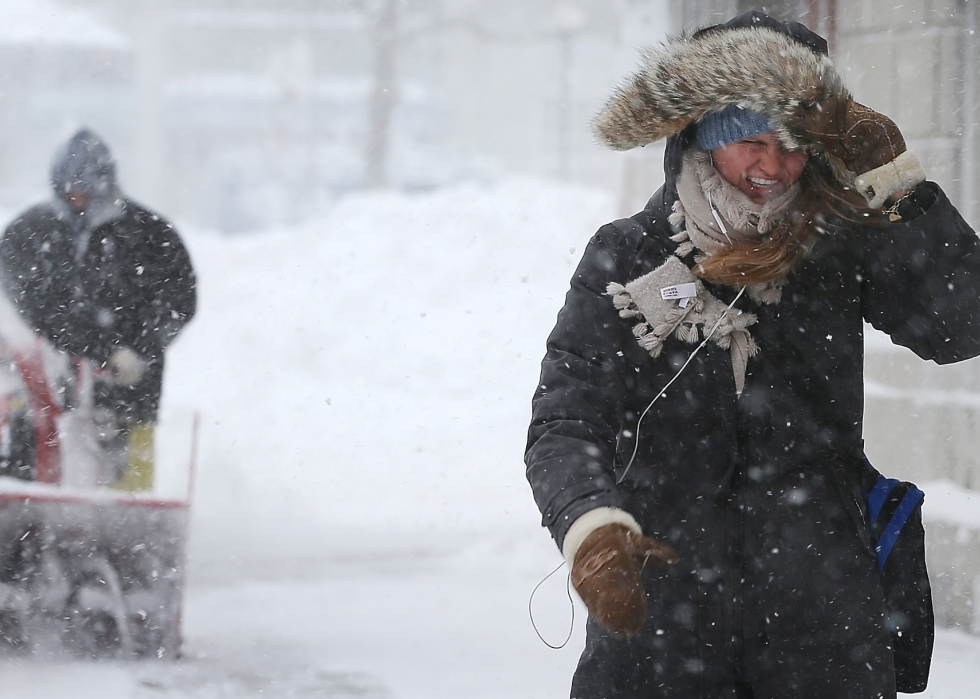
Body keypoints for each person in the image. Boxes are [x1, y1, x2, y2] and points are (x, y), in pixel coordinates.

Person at [525, 11, 980, 699]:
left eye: (795, 145)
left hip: (822, 626)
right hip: (663, 629)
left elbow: (961, 322)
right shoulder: (627, 254)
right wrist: (592, 527)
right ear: (705, 135)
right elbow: (566, 420)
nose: (773, 166)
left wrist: (898, 182)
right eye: (752, 141)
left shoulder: (840, 246)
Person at [0, 128, 196, 490]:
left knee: (128, 477)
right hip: (46, 375)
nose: (77, 200)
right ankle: (24, 519)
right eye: (69, 191)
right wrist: (79, 344)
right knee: (28, 450)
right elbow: (24, 300)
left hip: (130, 388)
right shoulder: (27, 234)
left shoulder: (151, 236)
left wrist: (140, 349)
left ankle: (129, 527)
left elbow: (179, 302)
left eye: (86, 191)